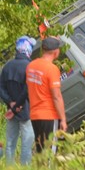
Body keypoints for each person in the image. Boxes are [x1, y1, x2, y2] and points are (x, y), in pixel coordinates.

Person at [26, 36, 67, 153]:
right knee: (50, 153)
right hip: (49, 115)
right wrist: (63, 119)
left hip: (34, 115)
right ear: (56, 52)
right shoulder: (52, 69)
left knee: (41, 151)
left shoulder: (31, 66)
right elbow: (56, 96)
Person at [0, 36, 36, 165]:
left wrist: (11, 103)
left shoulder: (7, 66)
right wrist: (18, 105)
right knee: (26, 144)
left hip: (11, 111)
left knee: (10, 143)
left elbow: (1, 89)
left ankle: (9, 167)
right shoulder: (30, 67)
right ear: (28, 49)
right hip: (26, 111)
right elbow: (28, 90)